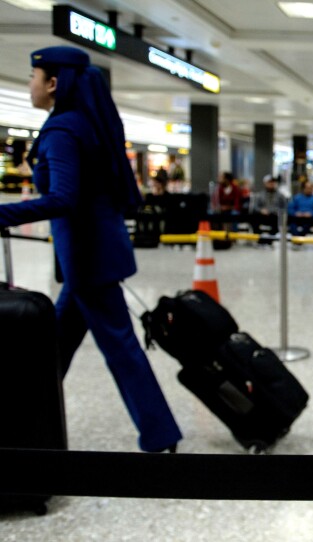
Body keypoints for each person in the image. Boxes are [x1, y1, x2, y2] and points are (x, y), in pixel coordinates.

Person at [0, 46, 181, 452]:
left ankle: (160, 435)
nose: (29, 84)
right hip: (91, 259)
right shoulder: (86, 123)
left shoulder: (63, 129)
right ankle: (20, 425)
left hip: (88, 261)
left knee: (120, 348)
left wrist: (2, 214)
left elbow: (64, 198)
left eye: (33, 76)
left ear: (52, 82)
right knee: (54, 347)